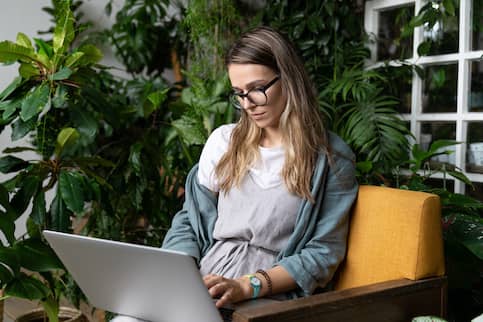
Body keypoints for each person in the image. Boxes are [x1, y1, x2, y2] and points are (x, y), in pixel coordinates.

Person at [113, 26, 358, 321]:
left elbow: (322, 255)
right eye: (239, 93)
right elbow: (190, 220)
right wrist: (178, 272)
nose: (247, 103)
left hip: (266, 300)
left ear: (289, 79)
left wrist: (246, 286)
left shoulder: (329, 159)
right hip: (204, 285)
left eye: (257, 88)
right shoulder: (224, 142)